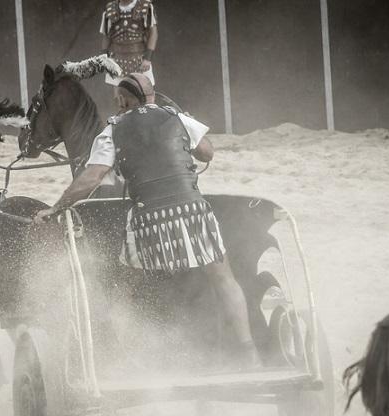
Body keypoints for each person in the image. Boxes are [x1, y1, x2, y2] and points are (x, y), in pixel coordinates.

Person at [34, 73, 260, 368]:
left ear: (122, 101)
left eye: (118, 102)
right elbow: (207, 153)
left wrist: (56, 207)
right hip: (194, 215)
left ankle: (124, 358)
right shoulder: (176, 117)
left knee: (123, 290)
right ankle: (249, 353)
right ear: (153, 96)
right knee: (224, 280)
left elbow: (90, 178)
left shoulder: (112, 131)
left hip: (148, 223)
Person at [100, 0, 157, 85]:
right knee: (119, 96)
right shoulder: (110, 9)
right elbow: (106, 36)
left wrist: (147, 59)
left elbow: (153, 34)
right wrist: (104, 58)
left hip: (140, 60)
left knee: (143, 93)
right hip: (116, 60)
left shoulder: (145, 7)